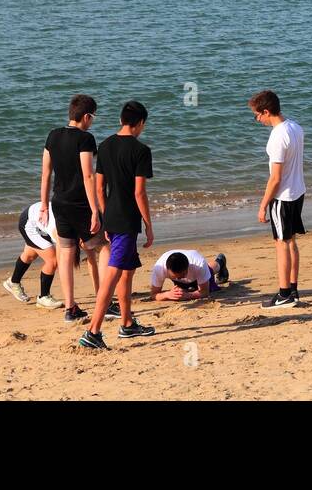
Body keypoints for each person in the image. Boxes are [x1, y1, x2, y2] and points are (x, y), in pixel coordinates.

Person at [78, 100, 157, 349]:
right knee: (111, 277)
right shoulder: (141, 150)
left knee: (126, 272)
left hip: (111, 218)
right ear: (140, 123)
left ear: (122, 119)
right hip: (127, 220)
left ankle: (127, 324)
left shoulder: (106, 145)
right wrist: (149, 224)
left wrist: (104, 214)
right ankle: (93, 331)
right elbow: (139, 194)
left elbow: (99, 187)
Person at [41, 94, 104, 324]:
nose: (92, 122)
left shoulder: (53, 135)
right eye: (93, 117)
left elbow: (46, 173)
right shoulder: (85, 139)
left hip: (58, 202)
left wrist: (43, 205)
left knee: (65, 254)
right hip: (80, 204)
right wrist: (95, 209)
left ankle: (70, 308)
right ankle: (106, 300)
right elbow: (88, 175)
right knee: (103, 247)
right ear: (86, 116)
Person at [249, 89, 305, 310]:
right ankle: (292, 289)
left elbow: (275, 178)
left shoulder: (277, 136)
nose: (257, 120)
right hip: (298, 192)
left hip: (283, 197)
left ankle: (284, 294)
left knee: (281, 243)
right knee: (290, 241)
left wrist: (263, 205)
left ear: (266, 111)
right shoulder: (296, 127)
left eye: (257, 115)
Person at [2, 200, 62, 309]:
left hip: (36, 218)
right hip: (29, 224)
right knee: (53, 261)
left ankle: (13, 282)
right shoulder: (56, 230)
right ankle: (43, 297)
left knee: (30, 254)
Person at [149, 249, 229, 302]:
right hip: (188, 276)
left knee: (210, 270)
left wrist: (188, 295)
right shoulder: (159, 268)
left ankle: (220, 261)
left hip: (196, 275)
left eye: (182, 275)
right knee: (184, 288)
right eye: (175, 276)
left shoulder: (199, 264)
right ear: (167, 269)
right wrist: (167, 294)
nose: (179, 278)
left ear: (188, 267)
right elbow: (153, 294)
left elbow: (205, 292)